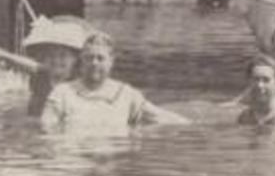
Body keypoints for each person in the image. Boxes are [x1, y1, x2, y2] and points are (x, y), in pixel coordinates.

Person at [39, 32, 186, 133]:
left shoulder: (126, 94)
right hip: (75, 160)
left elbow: (161, 118)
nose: (94, 63)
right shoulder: (63, 93)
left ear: (111, 62)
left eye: (100, 58)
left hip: (109, 162)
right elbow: (47, 129)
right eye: (89, 58)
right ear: (81, 61)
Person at [22, 15, 90, 118]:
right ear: (44, 58)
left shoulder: (80, 85)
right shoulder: (42, 77)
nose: (56, 60)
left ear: (75, 58)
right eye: (51, 55)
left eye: (63, 56)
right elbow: (29, 65)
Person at [237, 55, 275, 127]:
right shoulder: (245, 117)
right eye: (256, 79)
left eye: (266, 80)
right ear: (249, 82)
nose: (260, 85)